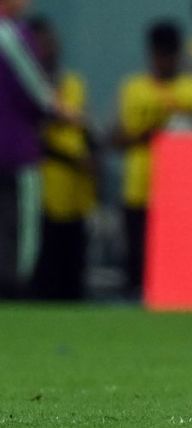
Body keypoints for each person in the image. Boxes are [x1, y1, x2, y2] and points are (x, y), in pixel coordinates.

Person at [116, 21, 192, 298]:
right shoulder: (134, 88)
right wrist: (150, 135)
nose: (164, 61)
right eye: (159, 54)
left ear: (179, 55)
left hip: (182, 190)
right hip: (140, 186)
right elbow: (115, 137)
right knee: (137, 259)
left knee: (178, 260)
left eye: (169, 55)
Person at [0, 0, 75, 299]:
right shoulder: (9, 33)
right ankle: (16, 289)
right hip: (15, 148)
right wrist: (61, 110)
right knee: (23, 229)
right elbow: (34, 86)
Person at [29, 16, 95, 300]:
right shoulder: (29, 89)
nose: (50, 48)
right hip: (44, 186)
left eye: (51, 41)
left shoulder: (72, 82)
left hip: (76, 189)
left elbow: (84, 123)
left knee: (73, 260)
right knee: (45, 262)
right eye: (42, 43)